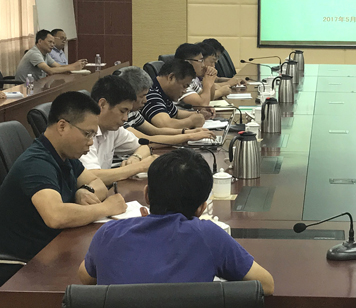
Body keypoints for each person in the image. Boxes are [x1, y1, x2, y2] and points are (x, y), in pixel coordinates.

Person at [78, 148, 274, 294]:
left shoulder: (108, 233)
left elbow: (86, 277)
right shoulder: (208, 236)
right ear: (202, 208)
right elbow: (266, 285)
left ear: (147, 195)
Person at [0, 91, 127, 286]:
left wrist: (83, 191)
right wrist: (105, 208)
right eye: (87, 134)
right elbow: (56, 216)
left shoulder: (65, 156)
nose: (91, 142)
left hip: (56, 246)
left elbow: (98, 185)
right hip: (27, 265)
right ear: (62, 126)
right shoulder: (36, 163)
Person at [80, 76, 157, 186]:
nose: (125, 118)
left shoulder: (113, 129)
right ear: (102, 104)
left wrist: (136, 158)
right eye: (122, 111)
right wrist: (139, 167)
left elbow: (143, 146)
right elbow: (91, 176)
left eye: (128, 112)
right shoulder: (83, 132)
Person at [118, 66, 214, 144]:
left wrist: (189, 132)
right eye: (142, 96)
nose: (145, 100)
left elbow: (155, 131)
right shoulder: (120, 116)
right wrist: (189, 136)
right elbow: (147, 140)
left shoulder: (133, 112)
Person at [140, 58, 207, 130]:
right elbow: (165, 124)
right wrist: (191, 121)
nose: (184, 91)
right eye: (184, 86)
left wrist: (199, 114)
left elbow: (176, 113)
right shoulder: (150, 94)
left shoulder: (163, 92)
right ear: (171, 77)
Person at [14, 30, 87, 82]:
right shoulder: (34, 53)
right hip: (25, 87)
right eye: (50, 42)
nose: (52, 45)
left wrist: (75, 64)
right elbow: (50, 70)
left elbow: (58, 66)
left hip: (37, 85)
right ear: (40, 41)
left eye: (53, 43)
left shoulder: (45, 54)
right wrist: (73, 67)